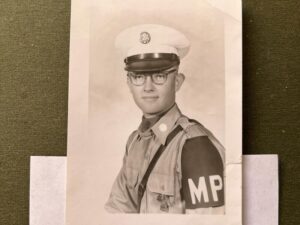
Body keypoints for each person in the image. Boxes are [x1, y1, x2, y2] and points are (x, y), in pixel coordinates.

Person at [105, 24, 225, 214]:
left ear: (177, 82)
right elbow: (117, 212)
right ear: (129, 83)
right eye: (138, 77)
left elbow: (209, 220)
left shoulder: (195, 145)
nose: (148, 87)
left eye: (159, 76)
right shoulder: (135, 141)